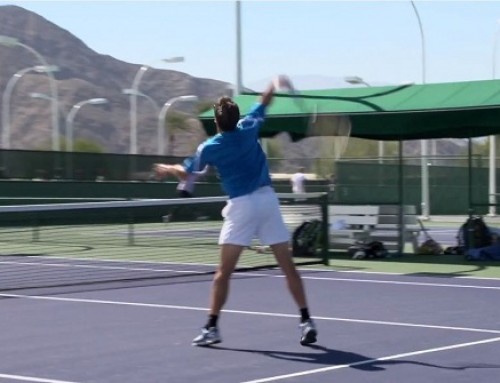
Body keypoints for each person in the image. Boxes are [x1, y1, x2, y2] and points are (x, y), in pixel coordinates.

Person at [170, 75, 318, 347]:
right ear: (236, 117)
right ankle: (306, 320)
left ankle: (212, 327)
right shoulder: (249, 126)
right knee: (288, 267)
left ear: (216, 122)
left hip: (242, 207)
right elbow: (264, 101)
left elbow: (186, 172)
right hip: (268, 201)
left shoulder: (209, 147)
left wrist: (166, 169)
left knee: (223, 273)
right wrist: (274, 83)